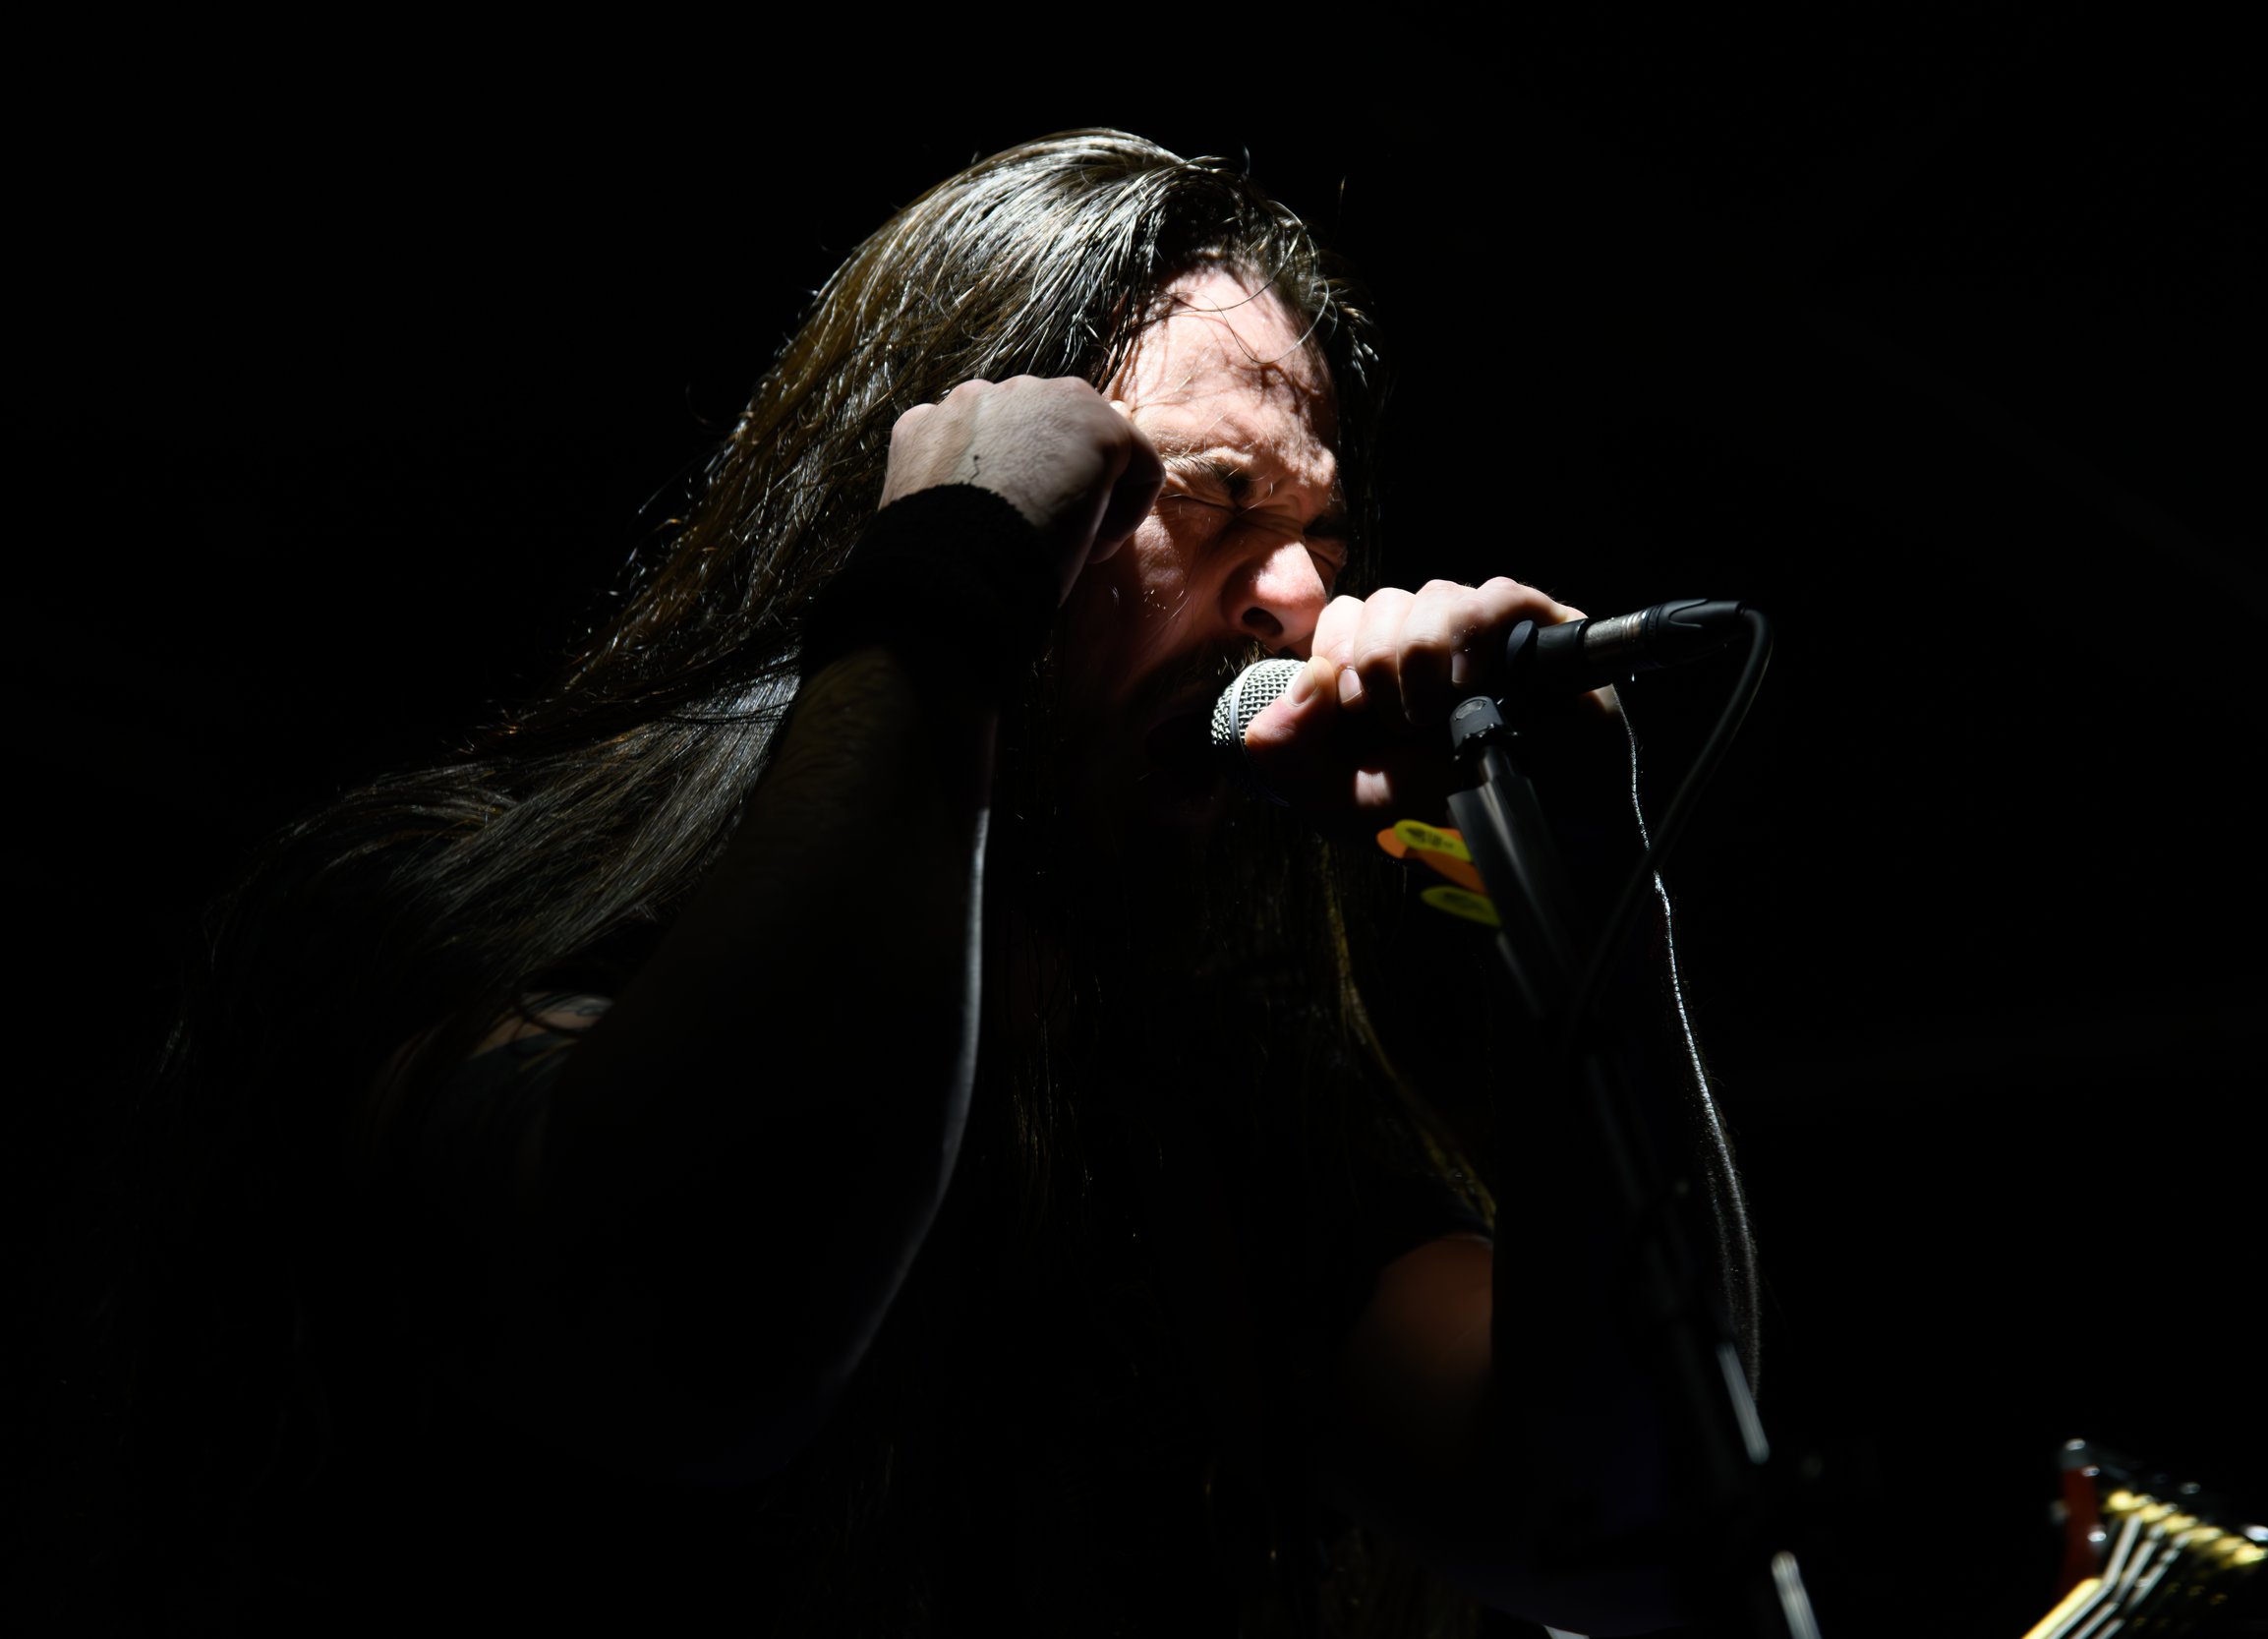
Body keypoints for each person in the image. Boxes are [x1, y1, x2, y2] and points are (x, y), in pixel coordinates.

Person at [68, 130, 1759, 1637]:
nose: (1305, 600)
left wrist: (1582, 899)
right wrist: (943, 593)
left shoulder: (1225, 1100)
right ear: (955, 482)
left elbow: (1631, 1532)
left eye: (1321, 534)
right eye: (1213, 499)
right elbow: (697, 1333)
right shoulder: (428, 909)